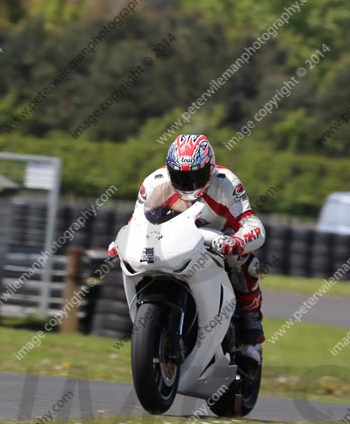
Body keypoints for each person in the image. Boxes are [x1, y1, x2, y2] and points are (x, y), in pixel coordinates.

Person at [110, 133, 266, 363]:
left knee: (246, 262)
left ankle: (250, 325)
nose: (188, 183)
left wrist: (237, 242)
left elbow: (252, 225)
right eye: (180, 176)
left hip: (216, 239)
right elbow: (137, 223)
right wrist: (120, 243)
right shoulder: (154, 182)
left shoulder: (226, 183)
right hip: (173, 241)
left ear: (209, 168)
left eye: (196, 175)